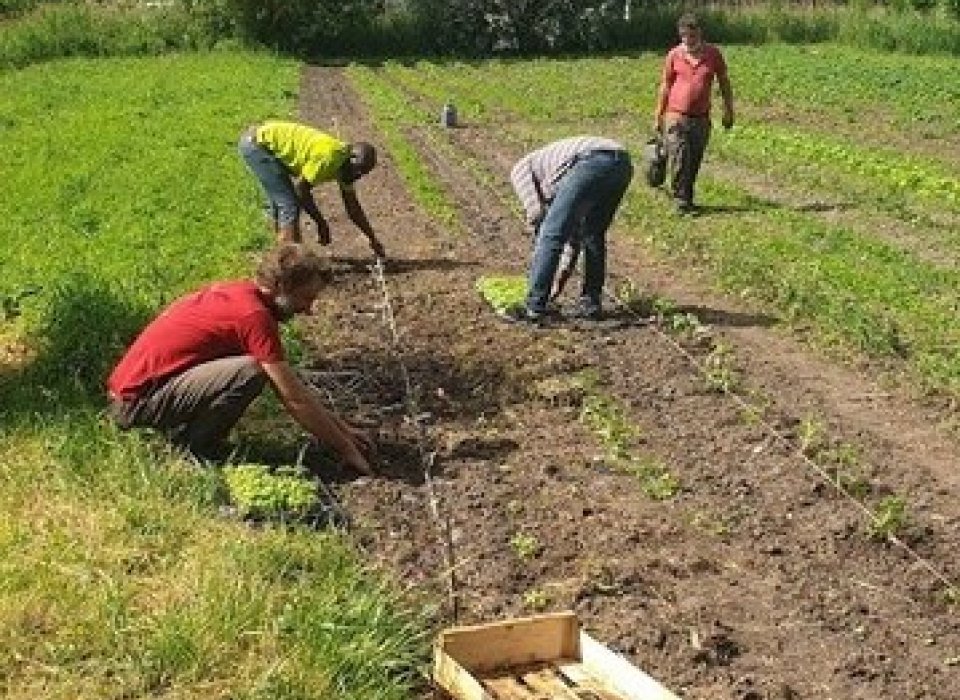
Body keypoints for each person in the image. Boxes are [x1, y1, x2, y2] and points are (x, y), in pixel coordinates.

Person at [106, 244, 374, 474]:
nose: (308, 310)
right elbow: (294, 399)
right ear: (281, 287)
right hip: (135, 404)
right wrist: (345, 449)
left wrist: (342, 430)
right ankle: (196, 450)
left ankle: (194, 441)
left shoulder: (239, 293)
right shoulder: (253, 316)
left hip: (136, 393)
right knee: (249, 372)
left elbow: (293, 388)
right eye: (305, 298)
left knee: (250, 368)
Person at [508, 136, 633, 324]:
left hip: (592, 160)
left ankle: (534, 307)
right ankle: (590, 303)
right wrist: (559, 281)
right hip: (621, 164)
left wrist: (540, 247)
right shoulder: (557, 180)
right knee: (592, 234)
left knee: (550, 233)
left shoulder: (520, 170)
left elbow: (537, 217)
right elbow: (574, 240)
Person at [238, 120, 386, 256]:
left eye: (363, 173)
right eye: (358, 169)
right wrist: (321, 223)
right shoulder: (329, 158)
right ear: (351, 156)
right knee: (289, 205)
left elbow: (353, 209)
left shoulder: (346, 169)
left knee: (282, 204)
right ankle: (291, 263)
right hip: (258, 146)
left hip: (262, 143)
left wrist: (373, 239)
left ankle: (282, 256)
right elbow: (301, 190)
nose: (358, 175)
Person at [654, 12, 735, 215]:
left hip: (701, 118)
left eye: (691, 36)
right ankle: (681, 201)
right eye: (683, 36)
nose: (688, 40)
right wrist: (659, 114)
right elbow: (665, 85)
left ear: (700, 33)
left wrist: (728, 109)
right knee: (681, 157)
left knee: (694, 160)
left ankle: (686, 197)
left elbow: (724, 83)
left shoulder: (713, 54)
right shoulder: (674, 55)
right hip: (676, 115)